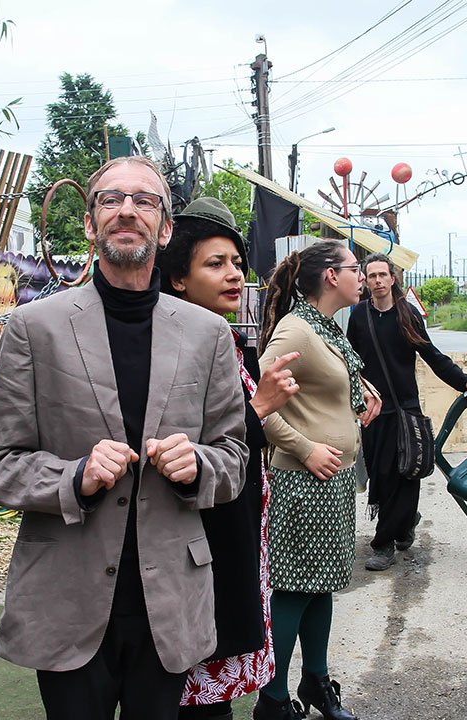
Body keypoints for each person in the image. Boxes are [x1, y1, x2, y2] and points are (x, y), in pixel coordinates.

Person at [0, 156, 249, 720]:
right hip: (66, 597)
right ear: (90, 223)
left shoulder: (208, 335)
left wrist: (198, 465)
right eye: (111, 199)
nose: (127, 210)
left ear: (164, 229)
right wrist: (73, 476)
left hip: (169, 600)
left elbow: (235, 459)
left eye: (144, 200)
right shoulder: (35, 328)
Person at [157, 197, 299, 720]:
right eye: (215, 264)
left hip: (236, 526)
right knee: (197, 691)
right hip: (200, 537)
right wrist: (260, 406)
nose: (234, 274)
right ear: (178, 278)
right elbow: (190, 444)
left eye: (237, 262)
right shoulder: (172, 347)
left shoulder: (226, 341)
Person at [254, 240, 381, 720]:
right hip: (303, 482)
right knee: (294, 590)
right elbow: (253, 400)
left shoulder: (324, 326)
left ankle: (316, 681)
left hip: (333, 480)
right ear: (331, 276)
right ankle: (271, 700)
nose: (362, 276)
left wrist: (361, 393)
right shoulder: (296, 330)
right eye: (355, 268)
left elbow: (326, 383)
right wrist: (304, 447)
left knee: (322, 585)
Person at [346, 252, 467, 571]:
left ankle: (383, 544)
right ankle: (406, 521)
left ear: (393, 278)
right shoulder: (359, 315)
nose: (378, 280)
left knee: (405, 474)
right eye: (372, 275)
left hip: (405, 410)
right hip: (373, 411)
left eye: (382, 274)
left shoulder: (408, 314)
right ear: (365, 280)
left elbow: (432, 356)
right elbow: (350, 360)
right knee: (380, 475)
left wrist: (464, 380)